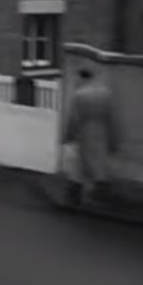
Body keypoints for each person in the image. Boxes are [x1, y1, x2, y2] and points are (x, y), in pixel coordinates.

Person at [62, 67, 120, 206]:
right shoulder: (105, 93)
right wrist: (113, 140)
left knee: (79, 164)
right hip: (101, 131)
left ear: (81, 78)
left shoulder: (79, 94)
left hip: (85, 131)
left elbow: (74, 118)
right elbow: (111, 117)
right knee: (100, 163)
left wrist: (68, 135)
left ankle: (74, 194)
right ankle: (101, 193)